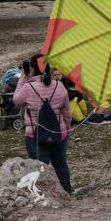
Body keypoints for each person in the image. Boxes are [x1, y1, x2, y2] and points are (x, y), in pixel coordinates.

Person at [12, 56, 73, 193]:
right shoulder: (59, 85)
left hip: (35, 135)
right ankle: (67, 193)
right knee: (61, 165)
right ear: (48, 67)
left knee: (40, 169)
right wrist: (67, 130)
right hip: (59, 134)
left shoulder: (28, 87)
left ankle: (46, 197)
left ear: (32, 69)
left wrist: (22, 78)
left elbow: (15, 101)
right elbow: (66, 112)